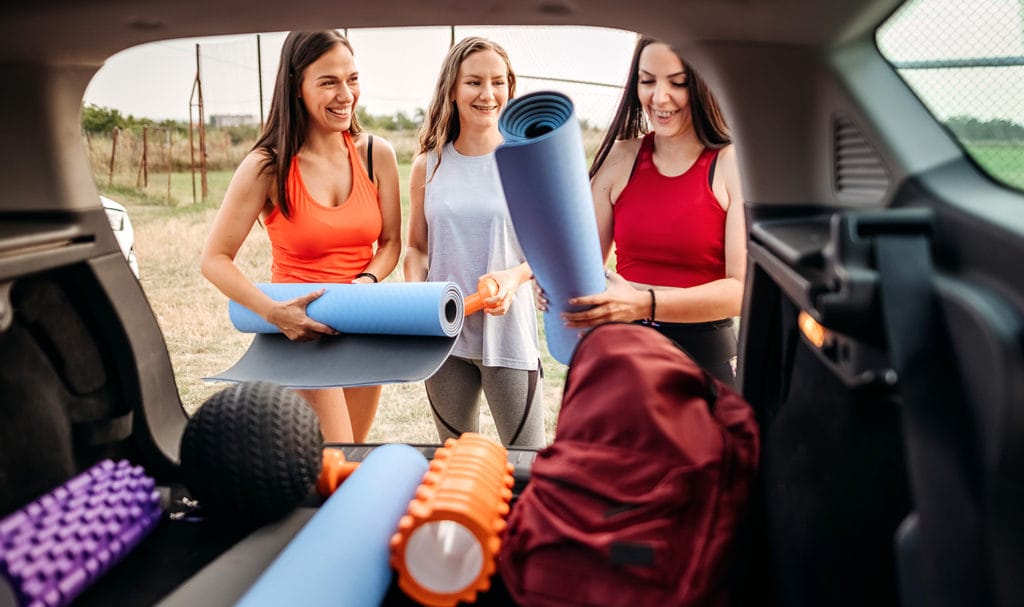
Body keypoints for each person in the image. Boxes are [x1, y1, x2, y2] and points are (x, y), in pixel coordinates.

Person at [200, 30, 402, 442]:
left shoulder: (375, 154)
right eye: (328, 82)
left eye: (352, 79)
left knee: (348, 460)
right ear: (296, 87)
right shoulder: (267, 165)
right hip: (301, 333)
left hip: (363, 326)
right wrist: (275, 314)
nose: (346, 94)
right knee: (333, 455)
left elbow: (392, 243)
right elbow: (214, 259)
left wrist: (366, 282)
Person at [558, 36, 746, 385]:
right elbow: (581, 265)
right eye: (647, 81)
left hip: (702, 370)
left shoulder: (731, 165)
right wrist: (557, 284)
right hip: (622, 362)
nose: (659, 98)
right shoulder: (619, 158)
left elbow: (740, 290)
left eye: (678, 83)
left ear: (704, 85)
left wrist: (644, 303)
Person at [404, 36, 545, 448]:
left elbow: (541, 252)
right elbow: (416, 247)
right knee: (458, 467)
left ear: (509, 88)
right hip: (444, 340)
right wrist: (418, 295)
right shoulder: (427, 165)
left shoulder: (527, 161)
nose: (488, 94)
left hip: (509, 337)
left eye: (498, 82)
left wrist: (514, 278)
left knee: (527, 466)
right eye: (474, 82)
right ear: (452, 88)